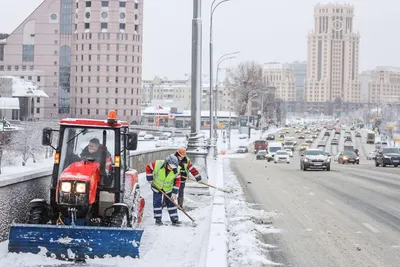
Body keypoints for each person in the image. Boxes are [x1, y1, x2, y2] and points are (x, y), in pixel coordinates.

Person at [146, 154, 182, 226]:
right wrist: (149, 178)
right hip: (157, 186)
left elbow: (178, 181)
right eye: (170, 166)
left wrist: (175, 192)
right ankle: (158, 219)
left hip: (168, 188)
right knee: (157, 203)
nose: (171, 169)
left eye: (173, 167)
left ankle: (174, 220)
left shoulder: (176, 170)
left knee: (171, 203)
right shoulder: (157, 164)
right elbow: (148, 167)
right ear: (166, 163)